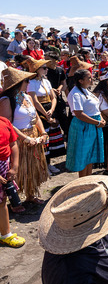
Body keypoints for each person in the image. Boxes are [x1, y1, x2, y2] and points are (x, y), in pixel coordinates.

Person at [0, 67, 49, 206]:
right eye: (26, 80)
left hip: (33, 136)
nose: (29, 82)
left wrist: (43, 132)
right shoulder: (6, 100)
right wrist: (24, 138)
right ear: (18, 82)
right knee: (17, 169)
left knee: (32, 167)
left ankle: (30, 194)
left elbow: (36, 117)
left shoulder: (26, 96)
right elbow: (6, 124)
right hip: (19, 139)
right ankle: (14, 200)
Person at [24, 58, 66, 175]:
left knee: (51, 140)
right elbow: (35, 100)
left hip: (50, 111)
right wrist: (45, 114)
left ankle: (48, 164)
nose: (47, 69)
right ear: (37, 70)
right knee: (44, 139)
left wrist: (51, 110)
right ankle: (43, 166)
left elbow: (53, 97)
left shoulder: (46, 81)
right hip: (40, 113)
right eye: (44, 68)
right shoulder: (31, 83)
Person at [67, 69, 106, 177]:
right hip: (83, 126)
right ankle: (83, 181)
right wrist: (97, 122)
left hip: (92, 124)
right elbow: (79, 114)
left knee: (90, 154)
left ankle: (88, 178)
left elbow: (95, 108)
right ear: (80, 80)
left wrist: (100, 118)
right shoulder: (76, 94)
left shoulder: (85, 90)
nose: (91, 78)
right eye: (88, 77)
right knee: (83, 156)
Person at [0, 115, 25, 247]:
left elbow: (13, 144)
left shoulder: (4, 121)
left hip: (4, 165)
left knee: (2, 200)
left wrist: (14, 166)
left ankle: (5, 234)